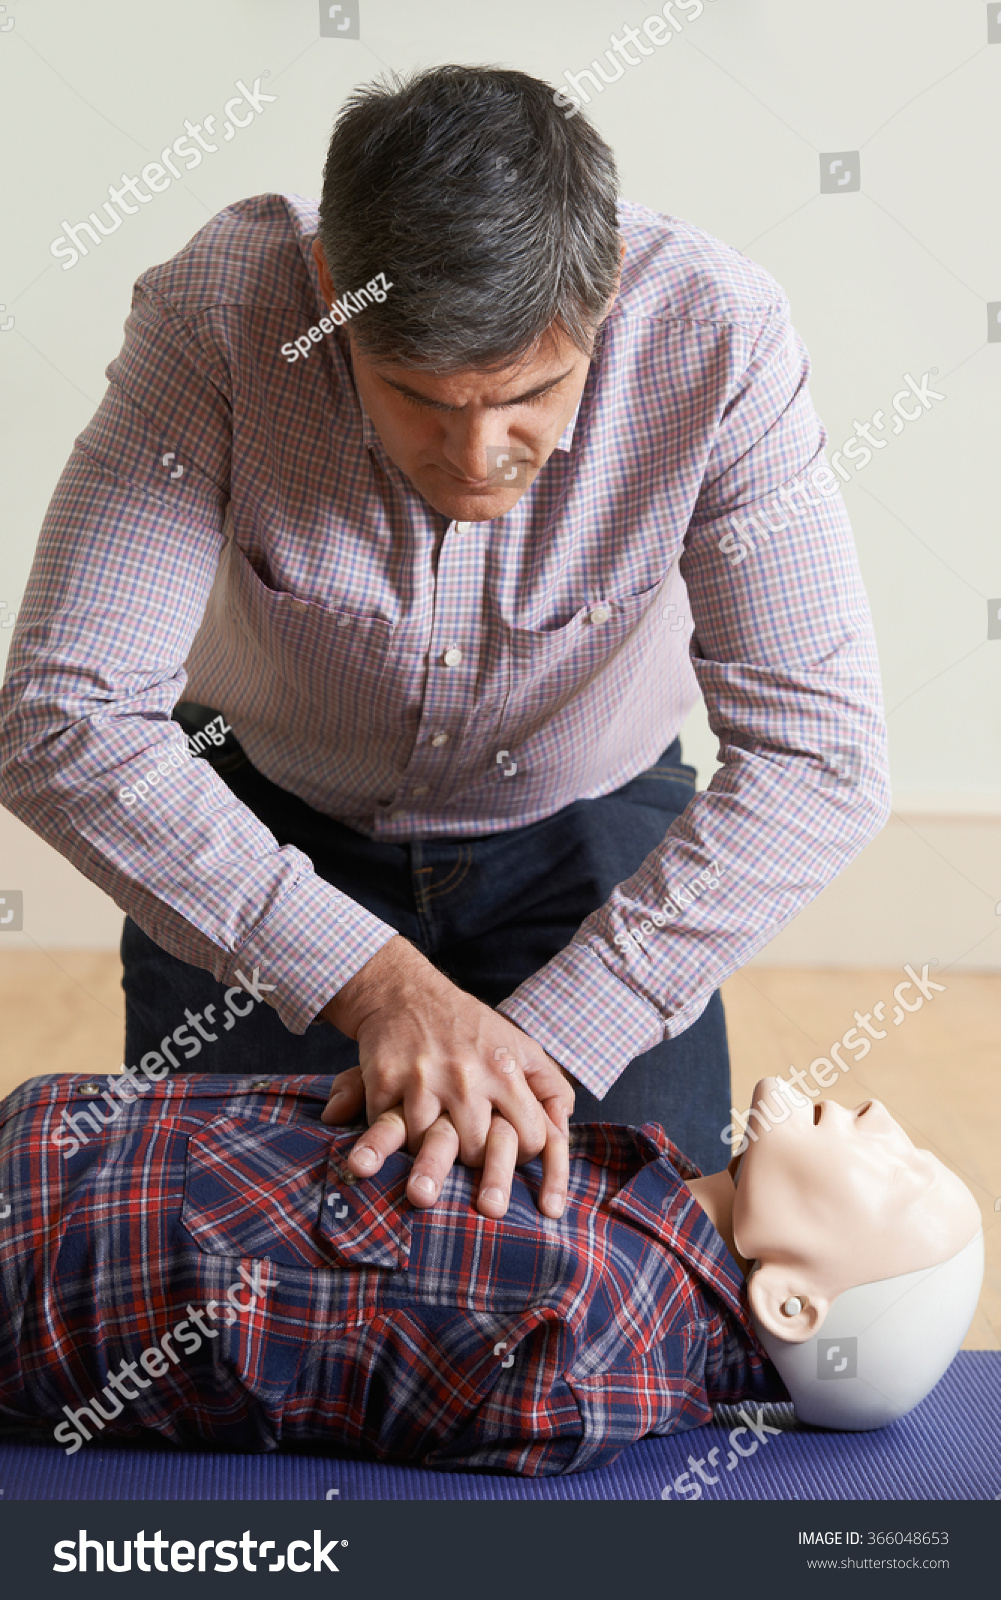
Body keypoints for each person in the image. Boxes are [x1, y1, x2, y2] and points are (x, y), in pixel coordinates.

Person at [0, 64, 891, 1211]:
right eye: (420, 395)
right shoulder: (224, 313)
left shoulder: (717, 335)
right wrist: (371, 983)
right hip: (263, 813)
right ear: (332, 287)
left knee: (650, 1279)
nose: (478, 459)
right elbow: (60, 712)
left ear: (605, 285)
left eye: (531, 392)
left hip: (587, 832)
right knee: (201, 1283)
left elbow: (822, 758)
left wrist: (539, 1044)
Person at [0, 1072, 980, 1475]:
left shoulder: (581, 1319)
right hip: (59, 1135)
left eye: (894, 1179)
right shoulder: (636, 1183)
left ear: (791, 1300)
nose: (879, 1119)